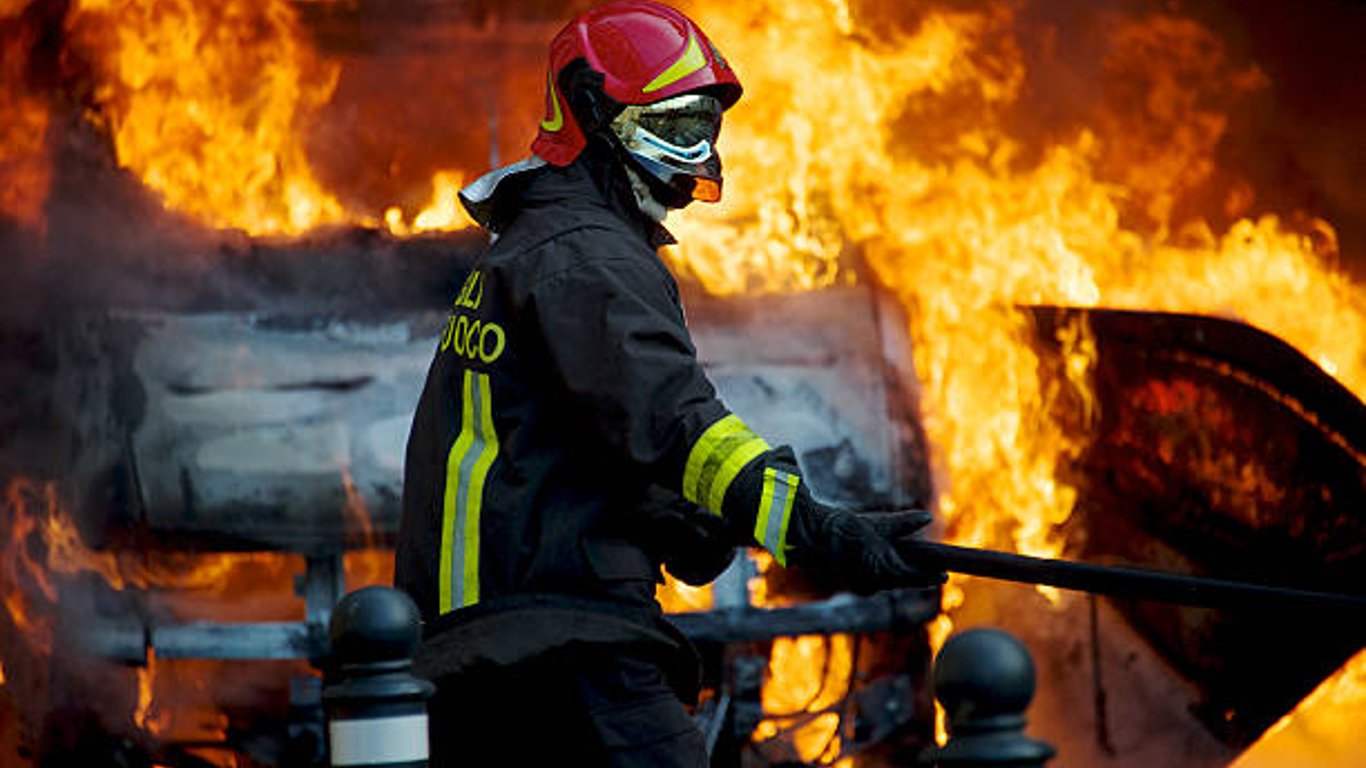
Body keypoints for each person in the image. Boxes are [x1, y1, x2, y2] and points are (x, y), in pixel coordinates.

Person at [394, 2, 942, 764]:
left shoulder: (545, 244)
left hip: (499, 641)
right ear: (594, 111)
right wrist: (815, 529)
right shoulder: (589, 257)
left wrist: (671, 515)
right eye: (680, 126)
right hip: (556, 638)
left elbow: (574, 441)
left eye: (706, 131)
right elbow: (674, 422)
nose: (698, 155)